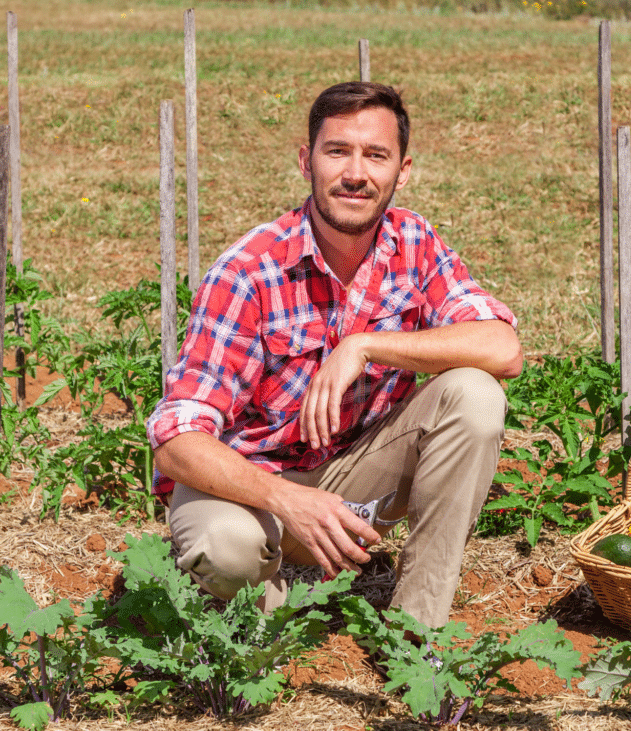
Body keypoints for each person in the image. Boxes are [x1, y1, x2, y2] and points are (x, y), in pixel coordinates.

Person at [146, 81, 523, 628]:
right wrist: (287, 500)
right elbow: (176, 440)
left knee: (476, 395)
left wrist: (366, 345)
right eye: (337, 151)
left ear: (403, 170)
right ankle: (283, 615)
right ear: (306, 161)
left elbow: (502, 348)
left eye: (376, 156)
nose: (356, 173)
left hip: (353, 479)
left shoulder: (414, 242)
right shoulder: (250, 271)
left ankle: (416, 631)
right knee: (226, 550)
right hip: (249, 489)